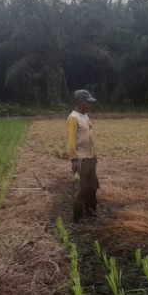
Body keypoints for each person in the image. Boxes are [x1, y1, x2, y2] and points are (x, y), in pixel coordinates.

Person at [66, 89, 99, 222]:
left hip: (90, 157)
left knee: (93, 186)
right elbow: (71, 139)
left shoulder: (85, 116)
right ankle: (78, 216)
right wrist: (73, 158)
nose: (89, 105)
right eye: (87, 102)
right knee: (81, 188)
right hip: (80, 159)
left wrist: (94, 155)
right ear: (80, 102)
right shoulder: (73, 118)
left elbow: (90, 137)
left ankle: (90, 210)